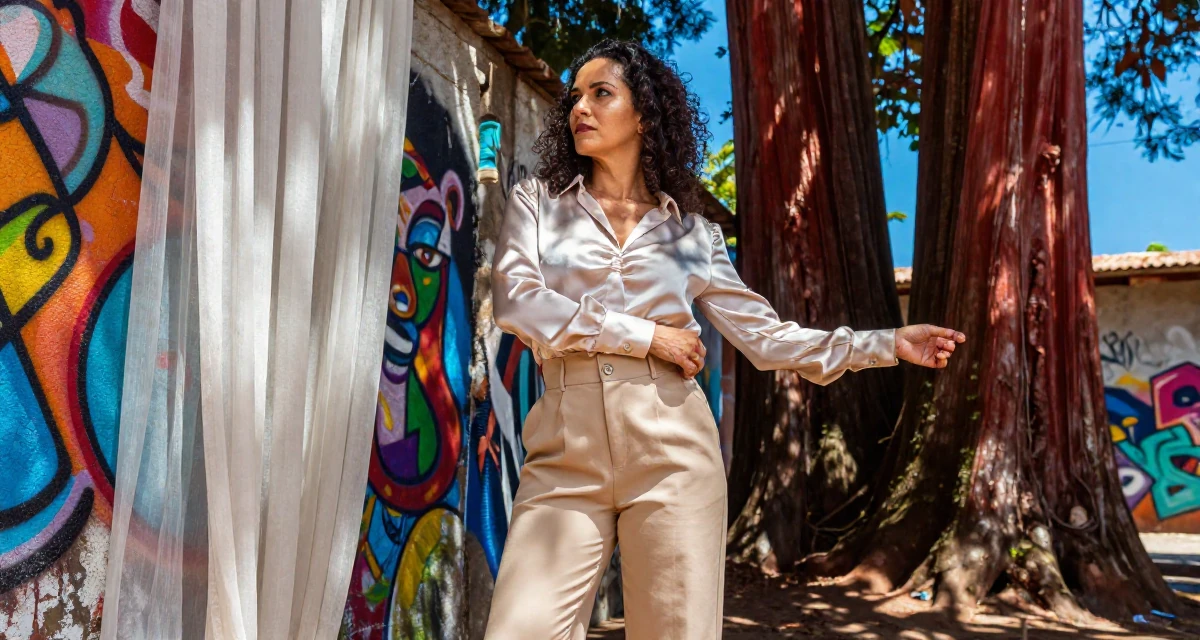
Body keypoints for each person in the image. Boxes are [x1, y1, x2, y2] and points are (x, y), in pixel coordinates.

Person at [483, 39, 965, 640]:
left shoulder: (694, 235)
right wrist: (646, 336)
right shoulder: (538, 203)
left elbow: (766, 339)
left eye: (600, 93)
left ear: (643, 114)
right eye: (574, 96)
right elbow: (518, 302)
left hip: (674, 455)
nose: (580, 106)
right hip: (563, 452)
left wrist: (887, 343)